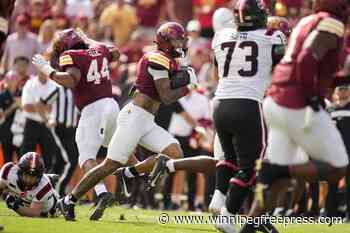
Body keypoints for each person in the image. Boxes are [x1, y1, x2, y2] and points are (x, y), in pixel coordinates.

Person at [51, 22, 198, 221]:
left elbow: (168, 89)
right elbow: (166, 96)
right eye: (177, 39)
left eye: (182, 39)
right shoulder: (156, 57)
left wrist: (184, 77)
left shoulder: (168, 59)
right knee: (109, 164)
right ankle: (69, 199)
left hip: (146, 120)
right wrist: (189, 85)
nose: (181, 43)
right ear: (164, 41)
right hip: (133, 117)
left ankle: (128, 173)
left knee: (175, 152)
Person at [239, 0, 350, 232]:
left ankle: (250, 225)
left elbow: (312, 67)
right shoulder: (332, 23)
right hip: (297, 103)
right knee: (339, 166)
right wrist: (311, 97)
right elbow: (308, 58)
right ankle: (278, 169)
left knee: (280, 183)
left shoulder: (306, 22)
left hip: (277, 100)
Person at [211, 0, 287, 232]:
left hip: (220, 103)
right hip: (248, 104)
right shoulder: (272, 36)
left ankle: (218, 200)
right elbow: (281, 65)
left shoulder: (221, 35)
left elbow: (218, 65)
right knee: (253, 167)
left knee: (229, 158)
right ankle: (227, 214)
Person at [32, 28, 120, 221]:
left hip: (93, 109)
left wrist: (48, 70)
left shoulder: (70, 55)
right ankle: (137, 172)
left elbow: (71, 80)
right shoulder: (98, 48)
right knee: (119, 150)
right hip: (112, 105)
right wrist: (90, 40)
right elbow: (115, 52)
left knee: (86, 156)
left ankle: (101, 192)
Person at [0, 152, 59, 217]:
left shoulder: (43, 186)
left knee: (49, 213)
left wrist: (15, 206)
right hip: (23, 198)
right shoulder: (8, 170)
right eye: (26, 175)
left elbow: (33, 213)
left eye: (33, 176)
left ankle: (50, 181)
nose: (29, 180)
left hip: (47, 207)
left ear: (39, 176)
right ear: (20, 171)